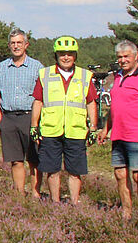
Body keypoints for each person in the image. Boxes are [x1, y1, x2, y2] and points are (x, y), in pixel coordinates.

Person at [29, 36, 98, 204]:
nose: (66, 57)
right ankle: (55, 203)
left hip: (76, 130)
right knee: (52, 170)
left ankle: (74, 203)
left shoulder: (85, 76)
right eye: (62, 54)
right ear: (56, 55)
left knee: (75, 171)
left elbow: (91, 103)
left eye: (69, 54)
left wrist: (93, 128)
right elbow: (38, 101)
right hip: (51, 129)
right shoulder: (45, 74)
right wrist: (34, 126)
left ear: (75, 56)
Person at [103, 39, 138, 220]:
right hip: (119, 134)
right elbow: (114, 107)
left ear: (136, 56)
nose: (123, 60)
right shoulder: (118, 77)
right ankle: (126, 212)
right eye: (120, 57)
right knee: (120, 174)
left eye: (126, 56)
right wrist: (106, 129)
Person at [0, 30, 43, 199]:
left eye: (19, 42)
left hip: (30, 117)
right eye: (13, 43)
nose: (16, 46)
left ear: (26, 45)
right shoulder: (1, 67)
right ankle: (19, 193)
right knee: (16, 159)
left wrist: (37, 121)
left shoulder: (37, 67)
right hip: (9, 118)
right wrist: (0, 120)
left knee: (34, 158)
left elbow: (41, 96)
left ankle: (35, 193)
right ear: (9, 45)